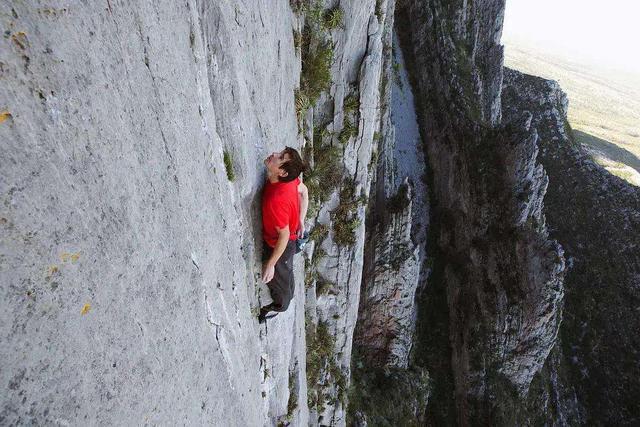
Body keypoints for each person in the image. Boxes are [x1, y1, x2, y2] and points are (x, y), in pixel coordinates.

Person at [258, 146, 308, 323]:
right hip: (289, 240)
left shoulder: (276, 200)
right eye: (280, 154)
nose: (273, 154)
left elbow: (284, 236)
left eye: (280, 158)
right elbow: (305, 191)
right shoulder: (290, 182)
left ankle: (273, 308)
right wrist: (301, 219)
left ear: (283, 173)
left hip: (283, 246)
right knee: (287, 278)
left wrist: (270, 264)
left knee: (285, 297)